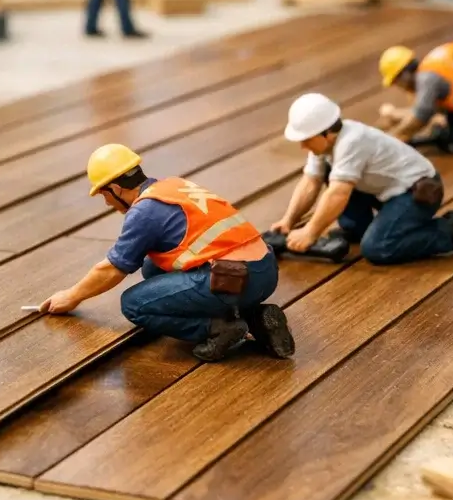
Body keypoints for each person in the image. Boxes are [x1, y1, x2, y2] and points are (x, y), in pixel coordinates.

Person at [39, 145, 294, 362]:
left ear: (115, 188)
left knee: (134, 304)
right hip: (266, 270)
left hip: (232, 279)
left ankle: (218, 328)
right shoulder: (174, 186)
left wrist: (71, 297)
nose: (107, 203)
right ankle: (256, 317)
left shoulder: (144, 211)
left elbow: (112, 269)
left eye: (105, 195)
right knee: (152, 267)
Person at [272, 93, 453, 265]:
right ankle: (356, 229)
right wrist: (289, 220)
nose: (303, 146)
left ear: (325, 133)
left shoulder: (352, 142)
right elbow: (310, 181)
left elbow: (338, 193)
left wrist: (310, 232)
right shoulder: (323, 146)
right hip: (383, 189)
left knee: (378, 247)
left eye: (306, 140)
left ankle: (446, 232)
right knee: (331, 173)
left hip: (416, 191)